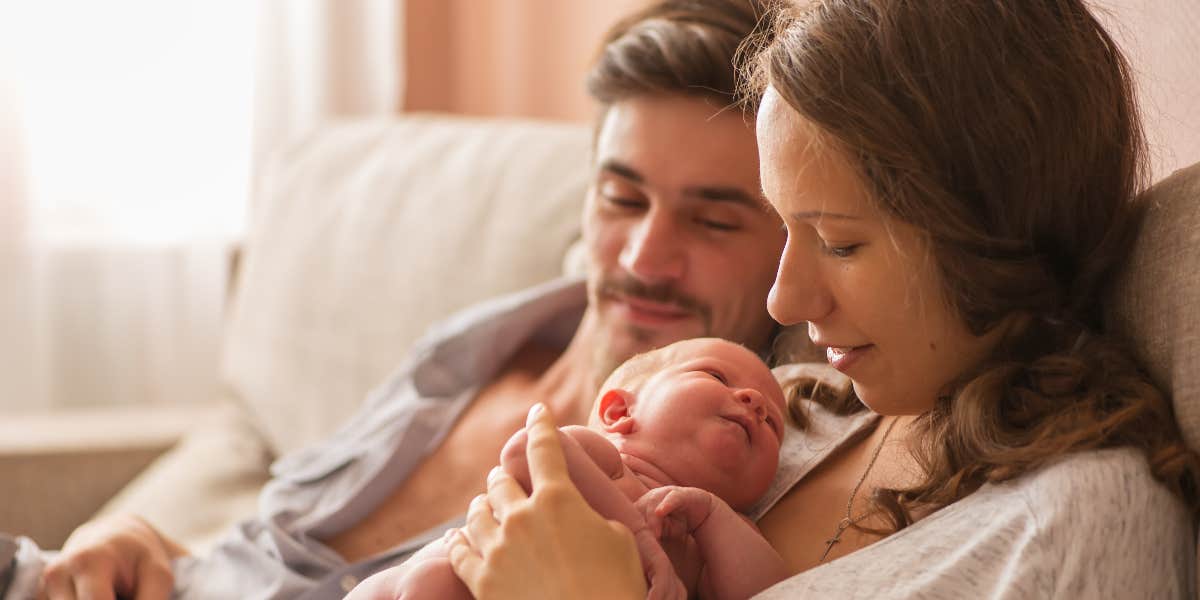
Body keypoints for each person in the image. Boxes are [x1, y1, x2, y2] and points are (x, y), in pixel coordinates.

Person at [1, 1, 790, 599]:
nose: (645, 255)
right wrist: (143, 539)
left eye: (713, 219)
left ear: (794, 243)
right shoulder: (474, 345)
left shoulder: (709, 479)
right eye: (622, 198)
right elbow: (274, 546)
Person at [444, 1, 1200, 598]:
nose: (782, 303)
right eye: (786, 231)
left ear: (982, 238)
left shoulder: (1077, 524)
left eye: (839, 242)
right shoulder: (798, 415)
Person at [346, 337, 790, 600]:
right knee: (438, 581)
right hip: (444, 577)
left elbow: (776, 592)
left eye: (772, 422)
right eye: (716, 378)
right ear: (619, 413)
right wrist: (636, 534)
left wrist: (713, 514)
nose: (753, 403)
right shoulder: (605, 460)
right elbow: (525, 452)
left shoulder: (715, 535)